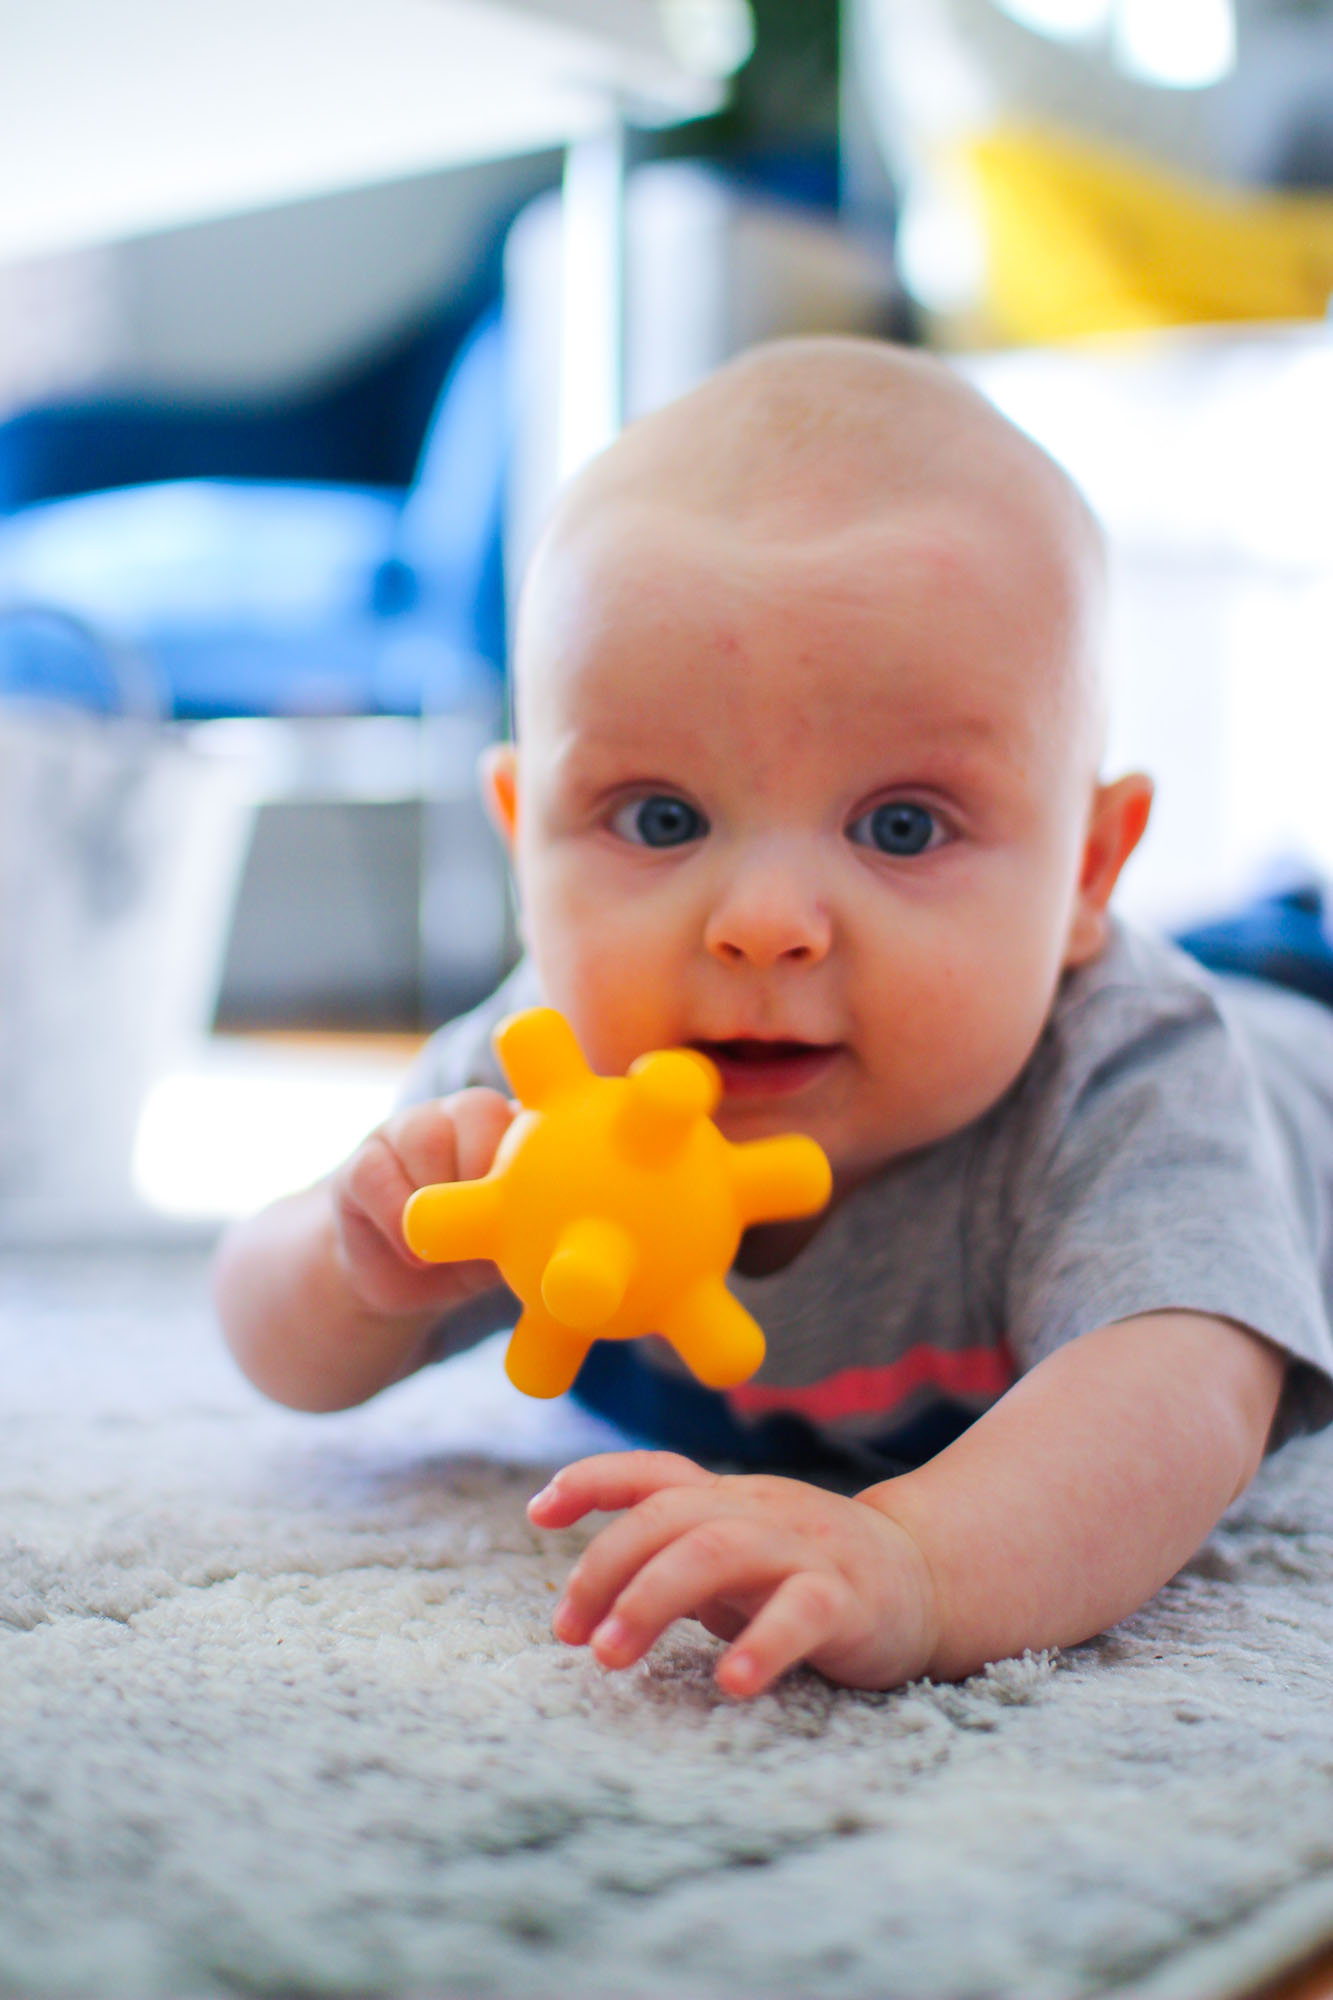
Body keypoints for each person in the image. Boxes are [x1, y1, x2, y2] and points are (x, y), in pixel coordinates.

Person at [214, 337, 1333, 1700]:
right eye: (660, 819)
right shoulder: (541, 1079)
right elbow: (266, 1333)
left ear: (1088, 872)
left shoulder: (1129, 1072)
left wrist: (914, 1562)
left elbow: (1181, 1397)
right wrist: (357, 1269)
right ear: (526, 848)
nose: (762, 921)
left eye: (902, 826)